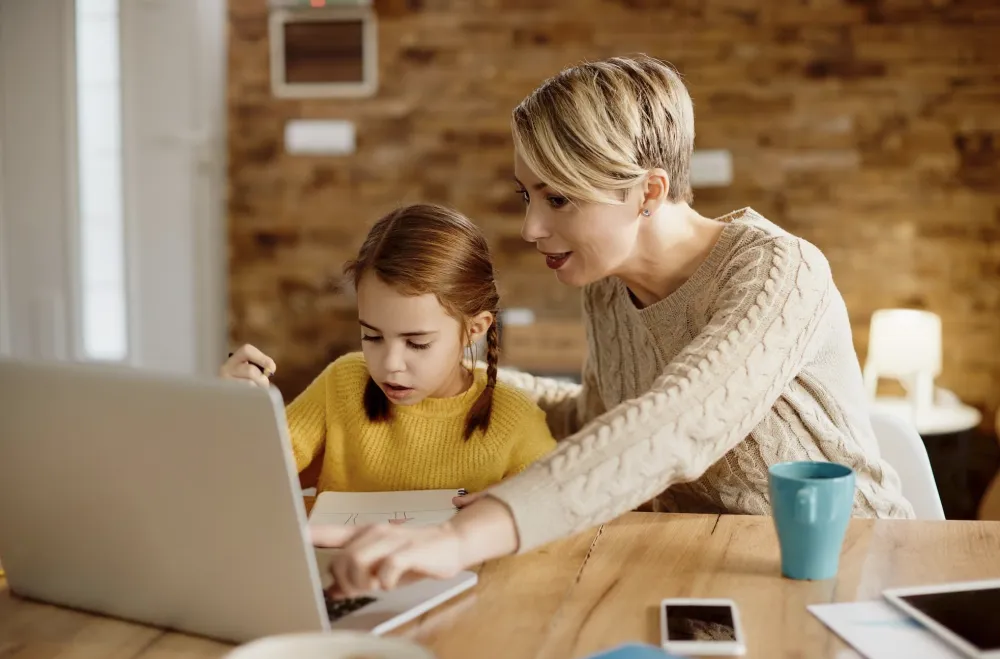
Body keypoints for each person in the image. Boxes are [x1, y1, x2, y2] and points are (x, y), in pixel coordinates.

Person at [310, 54, 916, 598]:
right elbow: (597, 421)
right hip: (702, 569)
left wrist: (468, 534)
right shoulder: (606, 291)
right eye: (528, 196)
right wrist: (448, 371)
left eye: (559, 200)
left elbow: (678, 421)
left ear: (648, 192)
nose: (531, 229)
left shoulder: (779, 273)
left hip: (854, 574)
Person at [220, 203, 556, 495]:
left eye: (417, 343)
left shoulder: (514, 418)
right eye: (373, 337)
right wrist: (233, 415)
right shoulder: (343, 383)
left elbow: (555, 518)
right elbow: (246, 480)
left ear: (474, 330)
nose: (390, 364)